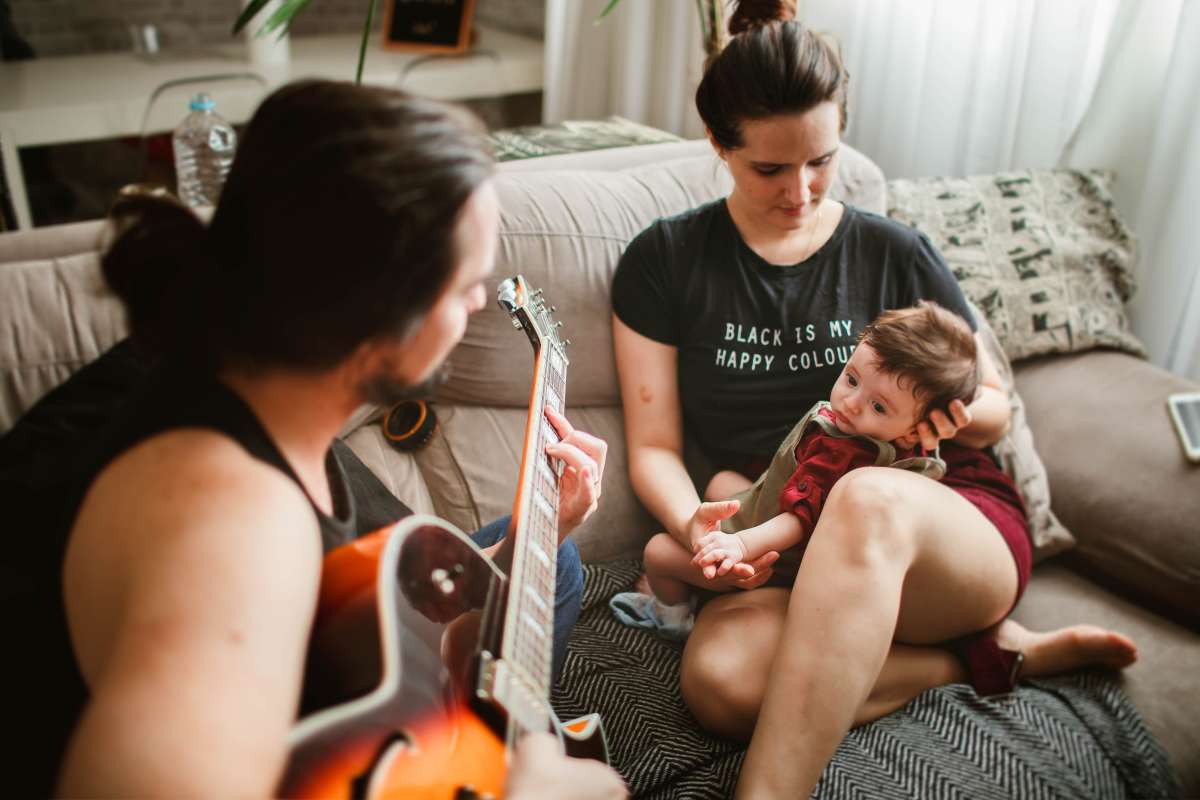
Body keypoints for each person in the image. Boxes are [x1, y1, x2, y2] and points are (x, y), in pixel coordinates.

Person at [2, 80, 624, 798]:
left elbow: (374, 620)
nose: (480, 303)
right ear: (380, 313)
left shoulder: (258, 375)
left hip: (349, 713)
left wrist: (548, 529)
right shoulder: (230, 523)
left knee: (560, 563)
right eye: (463, 289)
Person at [609, 2, 1137, 796]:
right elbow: (653, 444)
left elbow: (993, 403)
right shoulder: (665, 262)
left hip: (934, 522)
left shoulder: (892, 251)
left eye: (822, 159)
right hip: (785, 531)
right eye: (769, 169)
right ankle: (994, 655)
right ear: (719, 147)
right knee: (720, 684)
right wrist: (694, 522)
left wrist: (953, 417)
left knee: (862, 497)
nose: (803, 190)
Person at [611, 302, 979, 638]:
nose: (850, 404)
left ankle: (672, 617)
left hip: (770, 558)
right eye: (851, 379)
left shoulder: (839, 448)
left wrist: (737, 546)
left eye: (878, 407)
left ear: (917, 425)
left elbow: (800, 518)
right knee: (722, 482)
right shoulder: (912, 448)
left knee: (658, 551)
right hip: (808, 541)